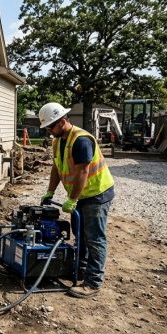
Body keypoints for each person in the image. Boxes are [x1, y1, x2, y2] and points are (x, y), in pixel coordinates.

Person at [37, 102, 115, 298]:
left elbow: (83, 171)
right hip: (81, 195)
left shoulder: (81, 140)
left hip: (96, 194)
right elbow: (57, 167)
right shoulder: (58, 140)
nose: (49, 131)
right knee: (79, 234)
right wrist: (50, 192)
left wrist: (72, 199)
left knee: (94, 238)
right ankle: (79, 271)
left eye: (51, 126)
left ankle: (93, 283)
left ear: (62, 121)